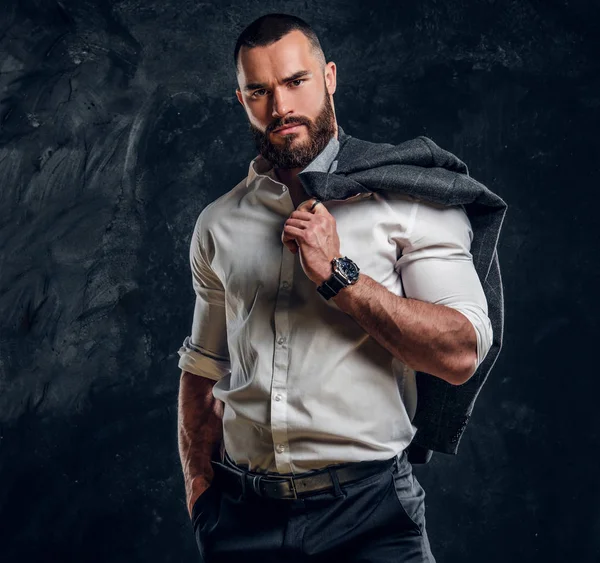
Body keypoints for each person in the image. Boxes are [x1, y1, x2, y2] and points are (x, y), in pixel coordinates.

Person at [177, 13, 494, 563]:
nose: (280, 108)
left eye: (295, 82)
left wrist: (339, 276)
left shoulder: (409, 198)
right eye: (260, 91)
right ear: (242, 99)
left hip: (371, 516)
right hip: (242, 521)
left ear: (329, 77)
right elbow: (204, 366)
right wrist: (201, 494)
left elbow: (460, 350)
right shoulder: (218, 223)